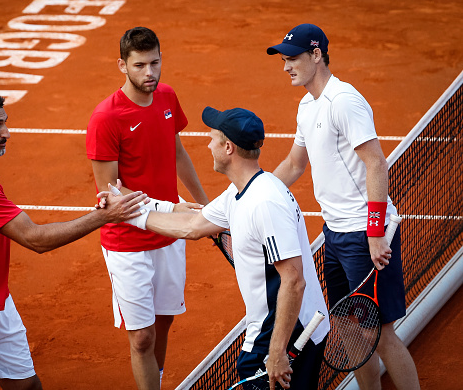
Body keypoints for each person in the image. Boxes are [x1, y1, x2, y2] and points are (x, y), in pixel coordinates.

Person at [0, 90, 148, 390]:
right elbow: (35, 239)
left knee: (27, 386)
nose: (6, 132)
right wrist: (103, 217)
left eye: (4, 123)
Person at [122, 106, 330, 390]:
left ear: (228, 147)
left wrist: (278, 353)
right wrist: (131, 213)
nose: (207, 144)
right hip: (280, 328)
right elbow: (191, 226)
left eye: (212, 138)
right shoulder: (240, 191)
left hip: (287, 333)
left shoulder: (265, 203)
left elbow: (293, 281)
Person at [266, 23, 420, 390]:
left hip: (364, 235)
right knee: (349, 332)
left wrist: (375, 233)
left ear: (316, 55)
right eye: (284, 60)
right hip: (334, 234)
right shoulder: (307, 105)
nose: (286, 66)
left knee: (381, 336)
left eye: (292, 59)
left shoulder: (344, 101)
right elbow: (293, 165)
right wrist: (253, 195)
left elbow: (376, 163)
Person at [85, 26, 209, 390]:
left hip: (169, 238)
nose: (149, 73)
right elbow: (111, 194)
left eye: (155, 63)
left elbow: (178, 151)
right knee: (141, 338)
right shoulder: (106, 118)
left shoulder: (167, 97)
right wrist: (172, 212)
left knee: (164, 321)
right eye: (139, 66)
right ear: (121, 65)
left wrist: (201, 203)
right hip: (128, 242)